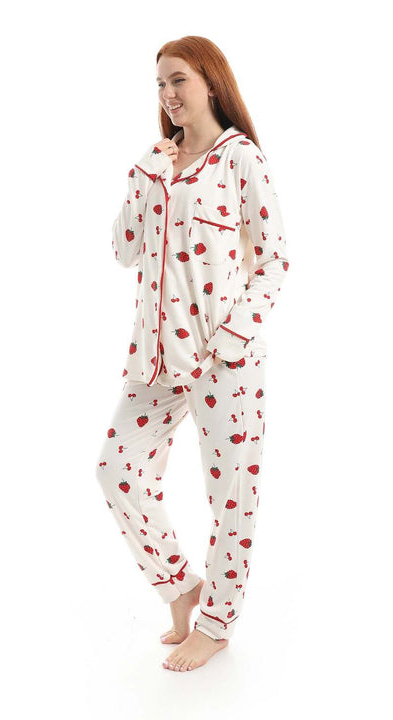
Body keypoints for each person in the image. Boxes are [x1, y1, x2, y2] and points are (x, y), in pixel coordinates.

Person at [95, 36, 291, 673]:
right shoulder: (156, 163)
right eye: (160, 84)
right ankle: (182, 589)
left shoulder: (241, 159)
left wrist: (231, 339)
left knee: (230, 497)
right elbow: (124, 250)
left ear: (210, 81)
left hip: (222, 359)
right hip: (154, 358)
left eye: (178, 79)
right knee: (117, 470)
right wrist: (144, 174)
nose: (168, 94)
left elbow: (274, 260)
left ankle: (217, 624)